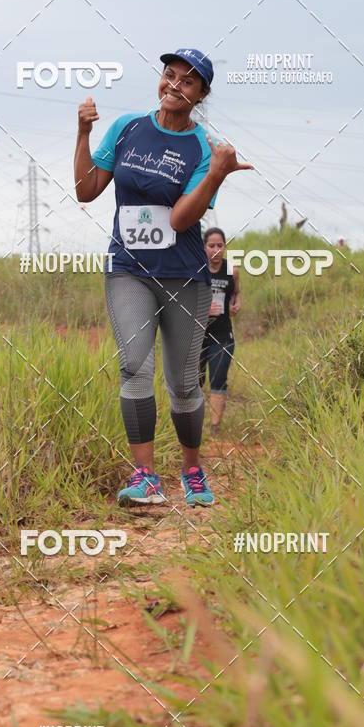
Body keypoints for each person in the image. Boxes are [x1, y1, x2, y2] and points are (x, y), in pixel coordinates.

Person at [74, 48, 252, 507]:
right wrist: (83, 132)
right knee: (134, 367)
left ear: (201, 94)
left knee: (183, 383)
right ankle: (146, 478)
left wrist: (215, 175)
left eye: (187, 82)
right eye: (169, 75)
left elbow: (178, 221)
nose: (174, 85)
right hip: (128, 269)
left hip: (184, 276)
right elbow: (86, 190)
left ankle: (192, 471)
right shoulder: (128, 128)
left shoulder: (201, 148)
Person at [199, 228, 240, 433]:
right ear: (204, 247)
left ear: (225, 246)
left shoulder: (231, 270)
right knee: (195, 380)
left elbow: (237, 293)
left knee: (218, 377)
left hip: (222, 333)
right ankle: (193, 425)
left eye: (220, 245)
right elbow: (181, 299)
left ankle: (215, 428)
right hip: (196, 333)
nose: (216, 249)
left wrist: (235, 304)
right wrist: (203, 309)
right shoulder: (196, 269)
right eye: (211, 245)